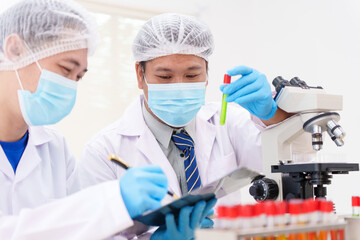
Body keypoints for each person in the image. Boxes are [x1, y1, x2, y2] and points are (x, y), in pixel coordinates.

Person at [78, 13, 292, 239]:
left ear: (207, 74)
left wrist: (273, 115)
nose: (179, 86)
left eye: (191, 75)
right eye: (165, 77)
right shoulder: (103, 151)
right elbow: (90, 233)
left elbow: (287, 165)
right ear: (140, 75)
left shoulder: (227, 122)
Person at [0, 1, 197, 239]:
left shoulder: (54, 149)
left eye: (78, 77)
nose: (70, 86)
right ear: (15, 50)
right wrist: (110, 202)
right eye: (65, 69)